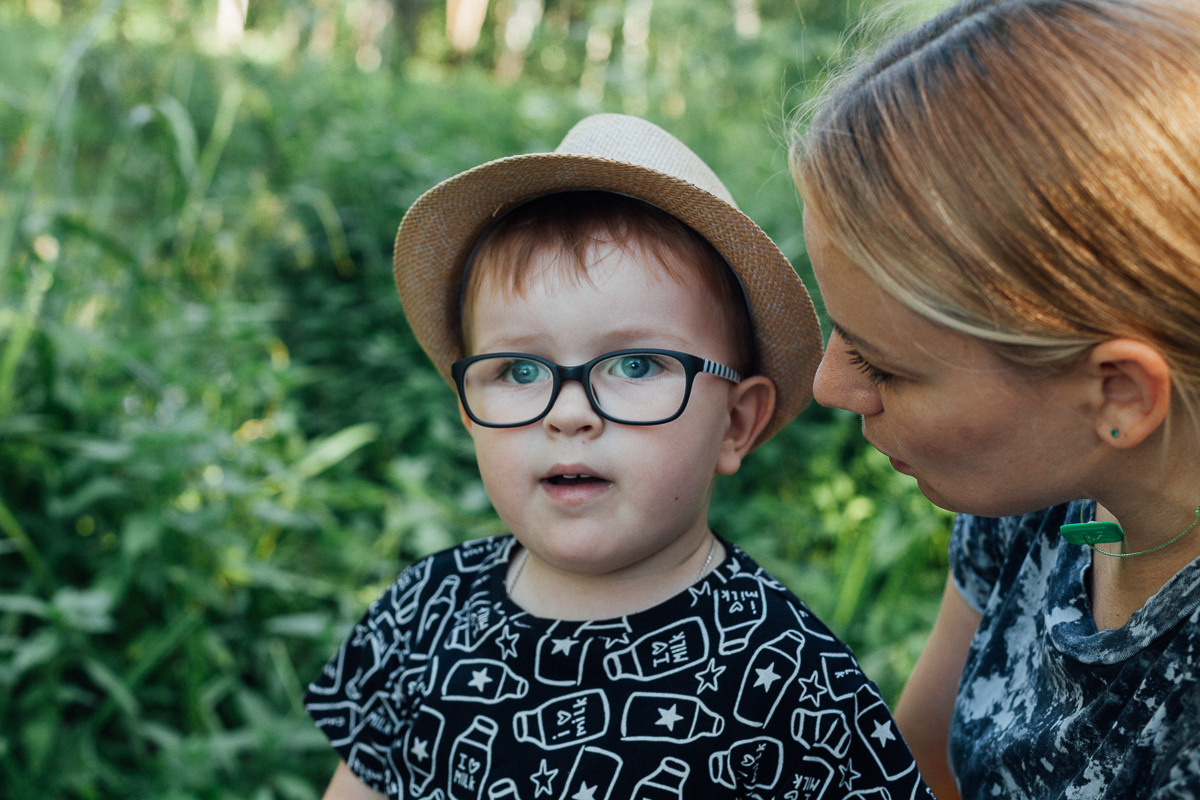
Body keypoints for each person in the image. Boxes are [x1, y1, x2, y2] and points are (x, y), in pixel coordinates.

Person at [305, 113, 932, 800]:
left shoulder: (790, 684)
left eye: (635, 365)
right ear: (467, 408)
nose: (568, 412)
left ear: (735, 424)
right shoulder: (424, 613)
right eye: (519, 371)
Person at [790, 0, 1200, 798]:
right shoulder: (1041, 490)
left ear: (1118, 392)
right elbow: (922, 758)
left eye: (884, 366)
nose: (829, 387)